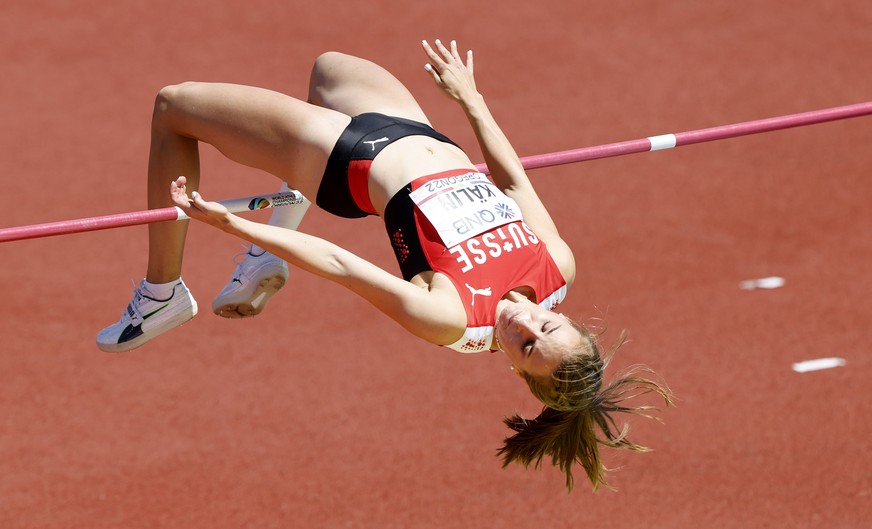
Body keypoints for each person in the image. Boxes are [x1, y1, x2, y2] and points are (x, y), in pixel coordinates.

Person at [97, 40, 671, 491]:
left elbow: (342, 265)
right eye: (547, 328)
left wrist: (231, 222)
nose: (523, 326)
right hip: (419, 132)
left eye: (525, 348)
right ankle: (263, 260)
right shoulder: (557, 267)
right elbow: (513, 179)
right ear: (570, 322)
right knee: (330, 68)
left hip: (345, 160)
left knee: (173, 105)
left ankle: (162, 293)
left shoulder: (454, 319)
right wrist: (471, 99)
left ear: (516, 372)